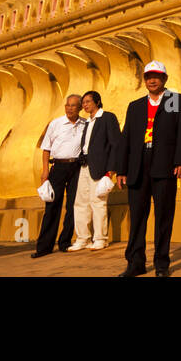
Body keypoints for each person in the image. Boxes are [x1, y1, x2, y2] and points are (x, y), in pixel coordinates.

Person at [114, 60, 181, 277]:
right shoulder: (135, 106)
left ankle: (161, 264)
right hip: (137, 166)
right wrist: (121, 170)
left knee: (163, 216)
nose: (152, 80)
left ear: (164, 79)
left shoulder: (174, 100)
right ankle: (135, 263)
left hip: (164, 165)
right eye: (148, 76)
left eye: (156, 76)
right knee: (137, 217)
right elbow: (126, 138)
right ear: (144, 80)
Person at [33, 94, 85, 257]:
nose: (69, 108)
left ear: (80, 108)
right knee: (52, 206)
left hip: (77, 167)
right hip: (58, 166)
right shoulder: (56, 124)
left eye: (73, 106)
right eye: (67, 105)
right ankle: (44, 247)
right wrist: (45, 171)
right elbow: (46, 148)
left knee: (73, 205)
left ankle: (65, 242)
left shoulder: (85, 124)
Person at [70, 90, 121, 252]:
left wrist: (111, 170)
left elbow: (115, 144)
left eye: (88, 102)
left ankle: (100, 238)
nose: (85, 105)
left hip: (100, 167)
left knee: (98, 202)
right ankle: (82, 238)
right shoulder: (87, 122)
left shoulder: (107, 117)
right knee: (80, 203)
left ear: (97, 102)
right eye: (83, 102)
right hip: (84, 166)